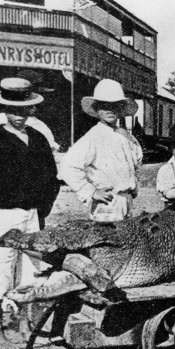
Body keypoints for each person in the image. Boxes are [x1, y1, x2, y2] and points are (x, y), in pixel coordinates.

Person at [0, 77, 59, 331]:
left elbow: (51, 177)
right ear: (5, 110)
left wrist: (41, 209)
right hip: (4, 212)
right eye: (14, 111)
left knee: (32, 266)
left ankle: (28, 321)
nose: (20, 117)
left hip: (33, 213)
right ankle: (4, 322)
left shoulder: (37, 138)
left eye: (24, 111)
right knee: (3, 263)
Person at [59, 79, 142, 222]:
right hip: (108, 202)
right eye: (104, 106)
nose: (109, 110)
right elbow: (67, 165)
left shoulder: (124, 136)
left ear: (121, 108)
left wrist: (129, 139)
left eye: (114, 105)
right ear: (97, 109)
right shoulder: (94, 136)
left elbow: (137, 160)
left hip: (126, 199)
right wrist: (90, 191)